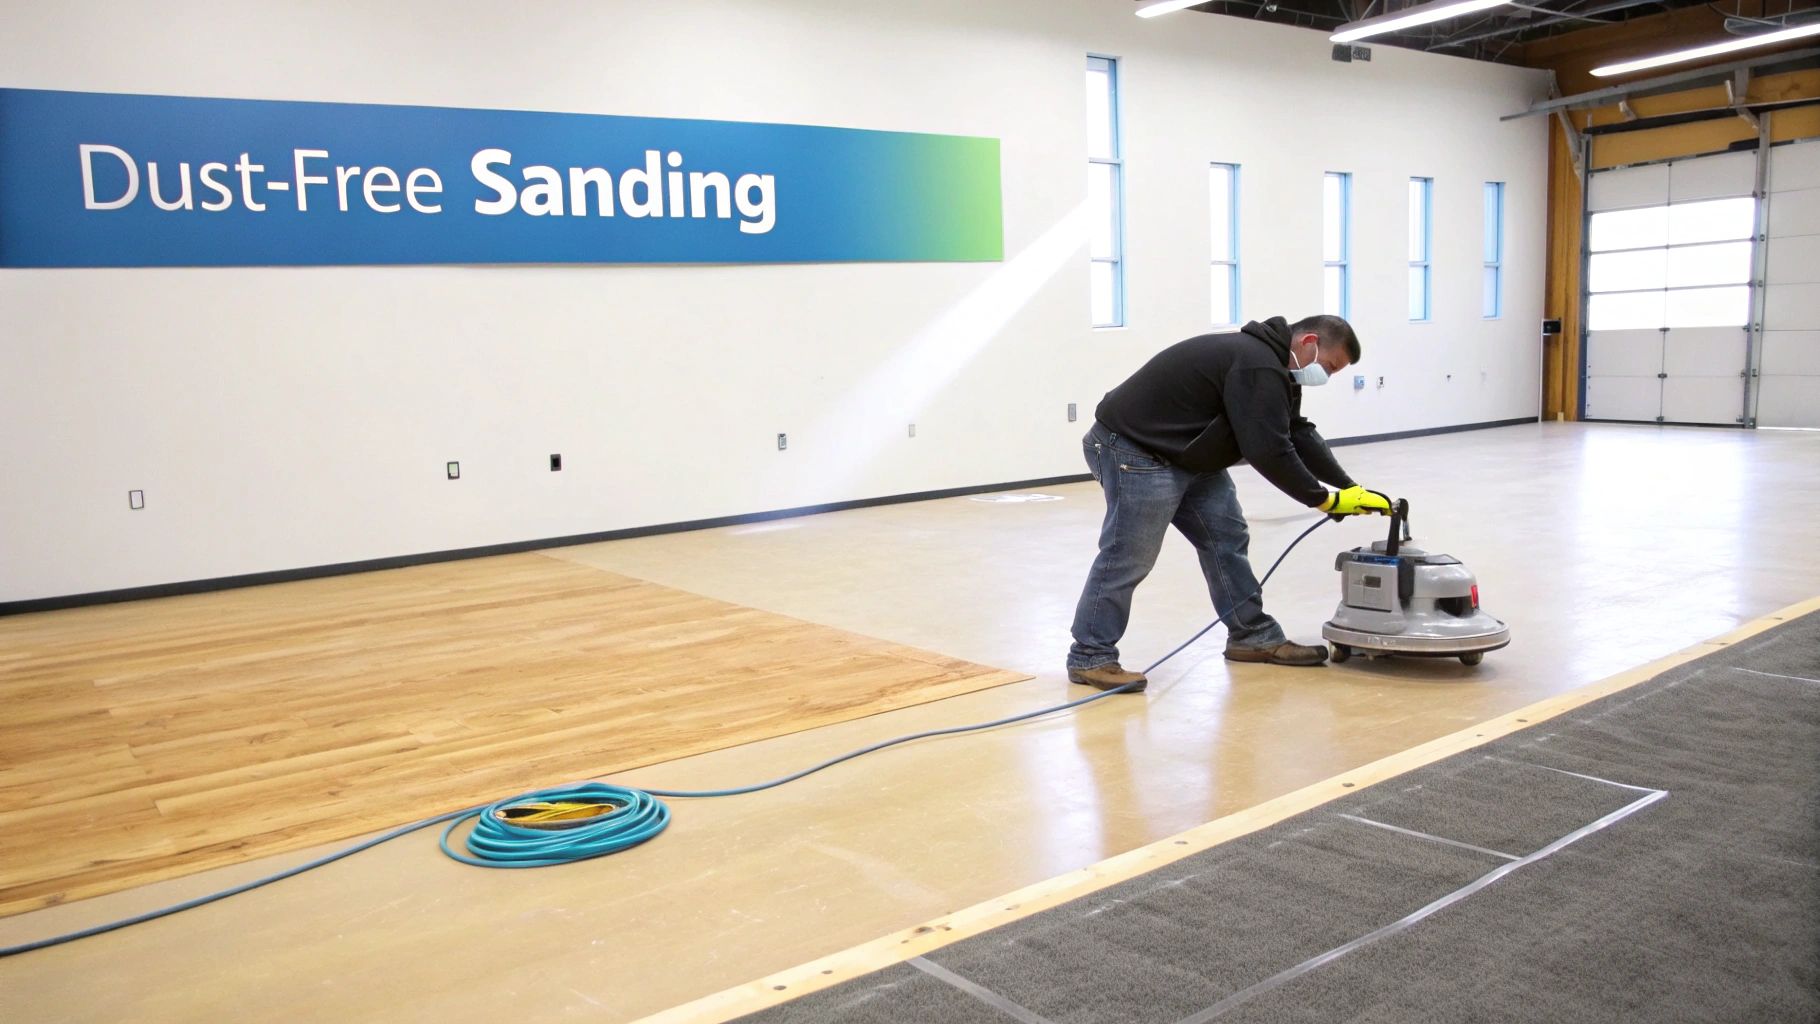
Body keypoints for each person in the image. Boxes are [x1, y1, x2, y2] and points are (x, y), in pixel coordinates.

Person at [1066, 314, 1391, 693]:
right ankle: (1091, 655)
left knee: (1227, 540)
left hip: (1189, 454)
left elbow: (1295, 432)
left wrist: (1348, 488)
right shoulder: (1256, 363)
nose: (1327, 376)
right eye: (1330, 366)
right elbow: (1268, 449)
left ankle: (1252, 636)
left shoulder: (1279, 368)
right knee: (1129, 554)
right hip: (1136, 449)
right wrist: (1323, 499)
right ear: (1309, 342)